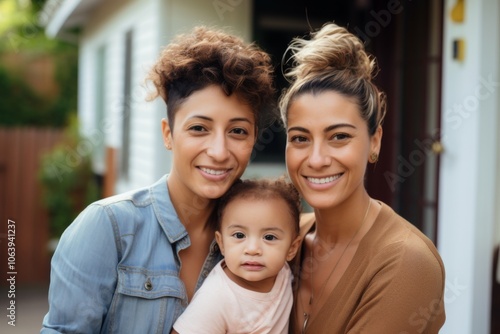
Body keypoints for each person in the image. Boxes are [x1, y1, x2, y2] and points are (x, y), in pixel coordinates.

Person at [41, 26, 276, 333]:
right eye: (199, 129)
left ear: (253, 138)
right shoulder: (108, 229)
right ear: (168, 133)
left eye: (237, 131)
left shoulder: (258, 239)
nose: (219, 152)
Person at [279, 23, 446, 333]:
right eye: (300, 138)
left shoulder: (406, 262)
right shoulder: (287, 238)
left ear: (375, 141)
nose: (316, 159)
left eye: (339, 136)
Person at [172, 178, 302, 334]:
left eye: (269, 237)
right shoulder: (216, 299)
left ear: (291, 249)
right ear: (221, 243)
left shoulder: (283, 273)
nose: (253, 249)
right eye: (239, 235)